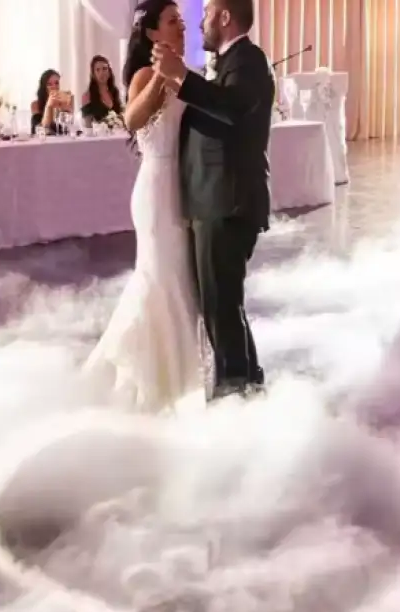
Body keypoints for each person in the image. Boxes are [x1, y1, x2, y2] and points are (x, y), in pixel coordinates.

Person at [83, 0, 204, 413]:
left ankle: (178, 384)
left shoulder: (186, 74)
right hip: (156, 190)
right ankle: (147, 385)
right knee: (159, 281)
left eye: (182, 22)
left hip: (182, 188)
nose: (182, 28)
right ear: (152, 33)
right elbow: (132, 121)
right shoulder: (143, 75)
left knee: (180, 283)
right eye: (173, 22)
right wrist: (161, 76)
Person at [152, 0, 274, 399]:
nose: (200, 21)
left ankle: (232, 395)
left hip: (227, 200)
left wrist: (180, 76)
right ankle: (248, 384)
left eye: (205, 12)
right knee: (224, 304)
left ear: (224, 17)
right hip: (216, 199)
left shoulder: (248, 60)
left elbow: (233, 108)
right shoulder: (228, 63)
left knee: (220, 307)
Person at [81, 55, 123, 127]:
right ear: (93, 74)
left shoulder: (115, 92)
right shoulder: (87, 96)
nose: (102, 73)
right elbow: (88, 126)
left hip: (118, 132)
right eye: (98, 70)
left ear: (109, 71)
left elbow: (121, 116)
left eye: (104, 69)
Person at [30, 69, 74, 136]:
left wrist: (67, 109)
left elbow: (69, 128)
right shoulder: (35, 104)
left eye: (57, 83)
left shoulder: (66, 101)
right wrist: (49, 106)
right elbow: (41, 130)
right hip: (41, 140)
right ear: (44, 87)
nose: (54, 87)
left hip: (62, 140)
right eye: (49, 84)